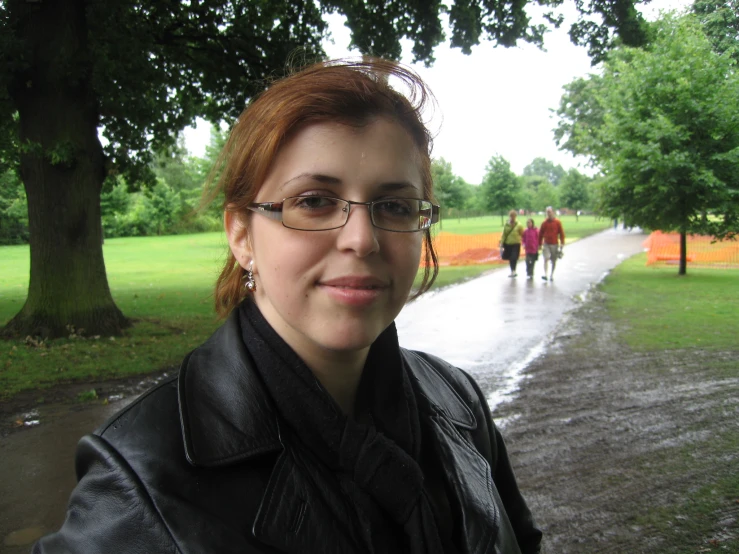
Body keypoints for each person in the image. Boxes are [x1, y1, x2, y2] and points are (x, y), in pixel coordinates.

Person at [33, 59, 542, 554]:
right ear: (241, 235)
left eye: (394, 206)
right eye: (315, 201)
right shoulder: (142, 478)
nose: (361, 240)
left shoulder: (456, 400)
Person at [539, 206, 565, 282]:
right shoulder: (544, 223)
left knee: (553, 260)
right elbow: (540, 234)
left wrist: (562, 242)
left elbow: (561, 233)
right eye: (547, 212)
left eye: (549, 212)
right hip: (546, 243)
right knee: (546, 258)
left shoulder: (557, 222)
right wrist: (539, 244)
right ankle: (545, 274)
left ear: (553, 212)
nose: (548, 213)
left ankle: (551, 274)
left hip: (554, 244)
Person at [500, 210, 525, 278]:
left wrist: (524, 242)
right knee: (510, 258)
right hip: (508, 243)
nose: (512, 217)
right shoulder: (506, 225)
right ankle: (512, 271)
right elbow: (504, 234)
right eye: (511, 216)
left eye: (513, 216)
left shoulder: (519, 225)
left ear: (515, 216)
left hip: (516, 243)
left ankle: (514, 270)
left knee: (514, 257)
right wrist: (502, 242)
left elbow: (522, 234)